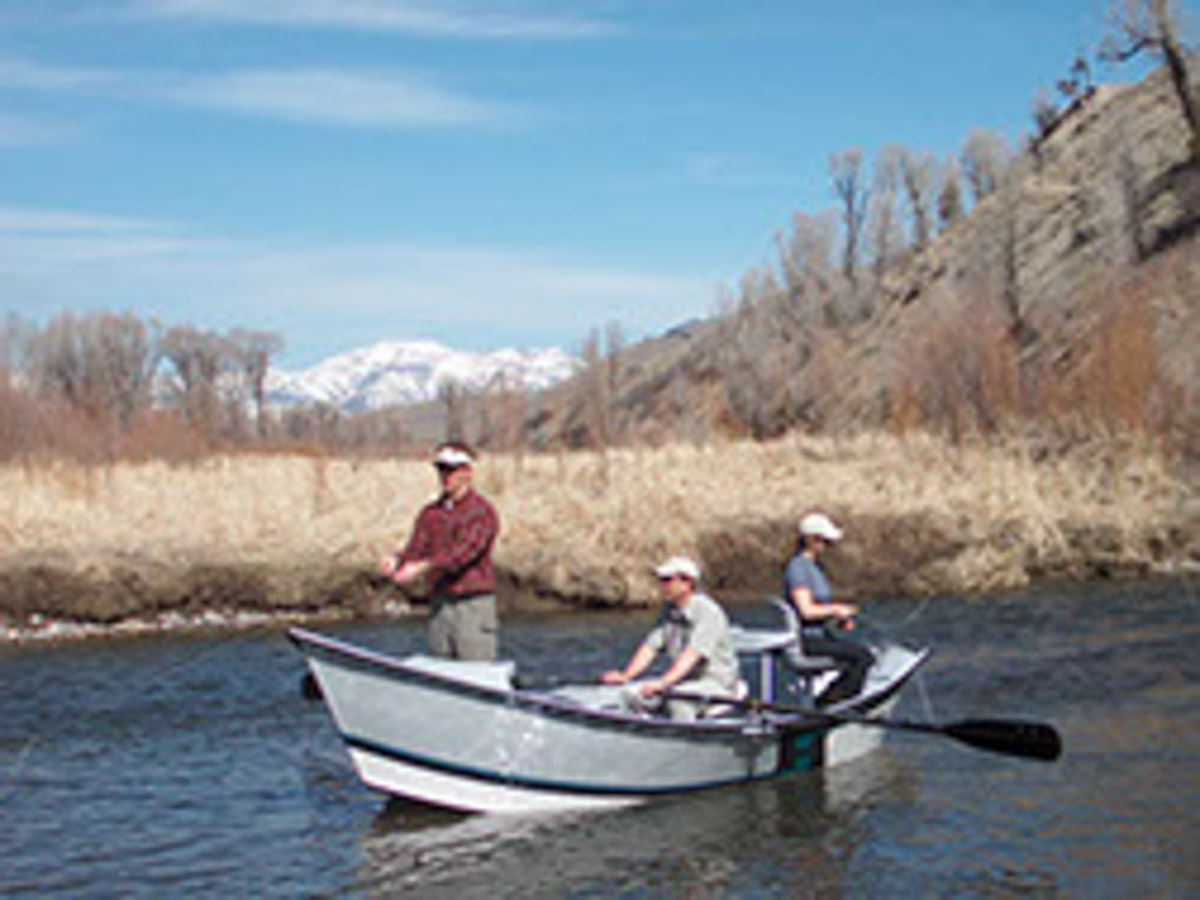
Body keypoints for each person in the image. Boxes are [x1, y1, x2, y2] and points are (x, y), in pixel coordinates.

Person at [379, 441, 501, 661]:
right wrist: (397, 561)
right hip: (439, 606)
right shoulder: (430, 514)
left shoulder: (482, 512)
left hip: (473, 607)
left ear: (467, 472)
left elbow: (462, 554)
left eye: (451, 469)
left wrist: (422, 567)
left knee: (476, 675)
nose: (445, 475)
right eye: (441, 469)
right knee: (442, 671)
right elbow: (416, 548)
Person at [601, 556, 742, 721]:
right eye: (662, 580)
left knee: (678, 700)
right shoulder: (669, 610)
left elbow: (692, 655)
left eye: (667, 580)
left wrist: (663, 683)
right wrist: (626, 676)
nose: (663, 585)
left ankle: (686, 740)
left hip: (718, 684)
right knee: (630, 694)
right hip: (684, 681)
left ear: (687, 583)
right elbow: (650, 647)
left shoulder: (708, 612)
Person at [783, 512, 874, 706]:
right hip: (808, 640)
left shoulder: (815, 568)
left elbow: (818, 611)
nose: (827, 546)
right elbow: (806, 610)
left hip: (820, 635)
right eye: (823, 541)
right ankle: (828, 705)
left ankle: (833, 701)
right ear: (811, 540)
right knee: (863, 658)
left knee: (863, 655)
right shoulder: (798, 569)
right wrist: (836, 609)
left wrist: (838, 620)